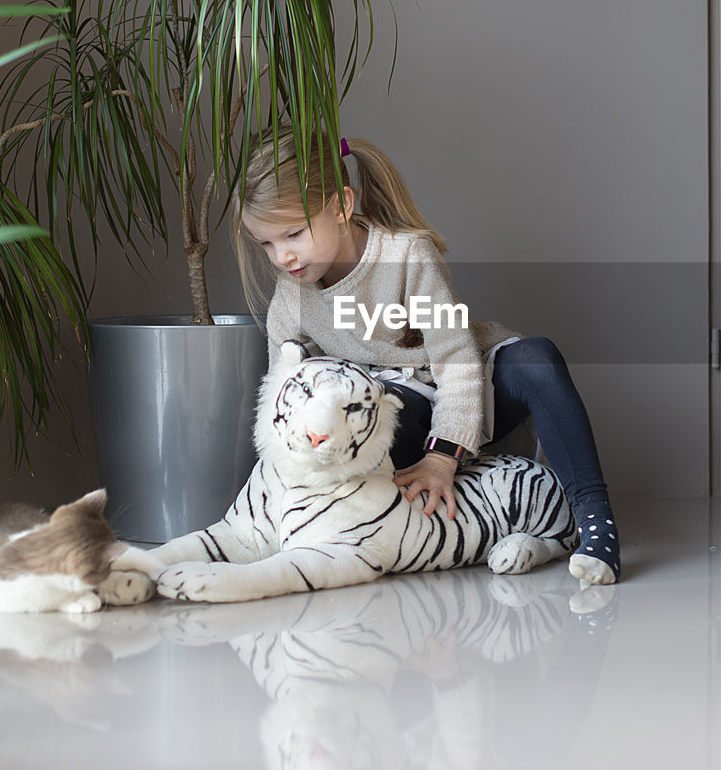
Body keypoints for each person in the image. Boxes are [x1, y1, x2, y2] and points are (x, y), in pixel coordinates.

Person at [233, 127, 621, 585]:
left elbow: (455, 359)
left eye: (294, 234)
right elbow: (289, 398)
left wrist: (442, 458)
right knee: (383, 420)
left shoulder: (405, 256)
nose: (283, 257)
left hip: (466, 387)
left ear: (341, 206)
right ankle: (487, 511)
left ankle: (594, 521)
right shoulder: (291, 299)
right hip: (398, 409)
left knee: (537, 358)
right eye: (267, 243)